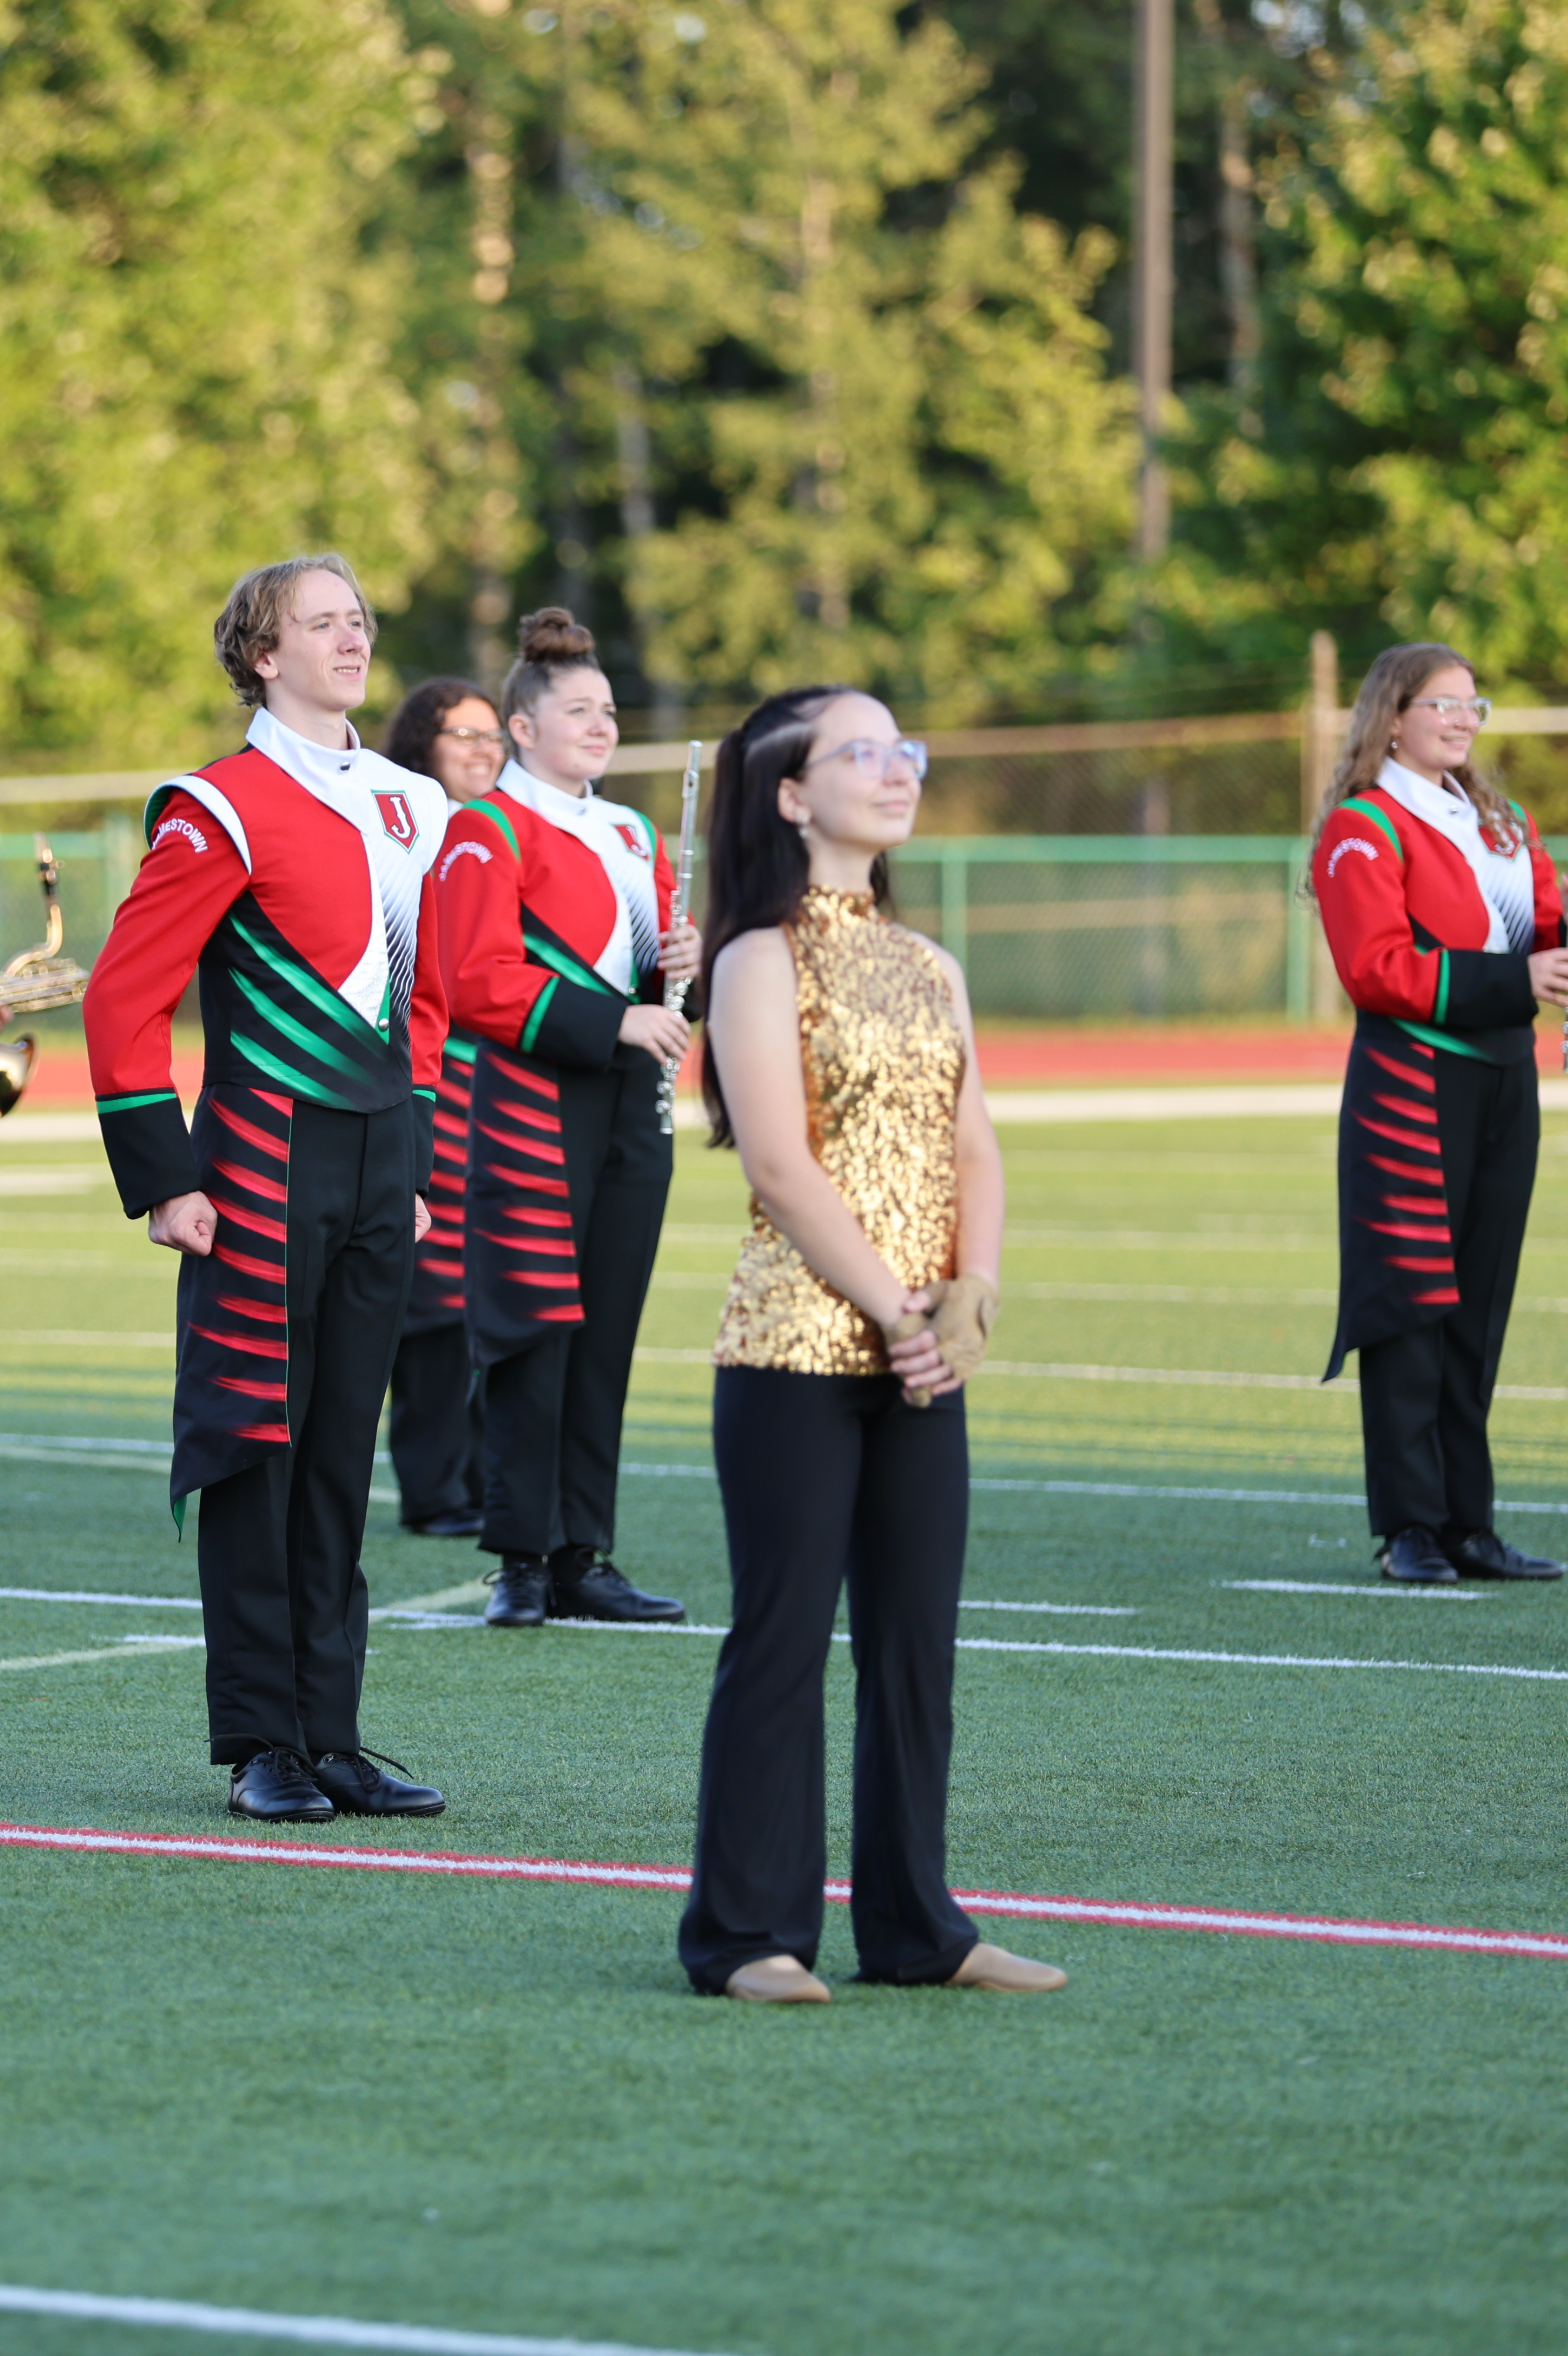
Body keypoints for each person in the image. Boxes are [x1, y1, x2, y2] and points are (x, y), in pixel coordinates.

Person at [675, 684, 1059, 2004]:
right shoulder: (758, 960)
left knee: (916, 1645)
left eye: (905, 749)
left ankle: (917, 1928)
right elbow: (779, 1166)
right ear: (790, 795)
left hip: (922, 1355)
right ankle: (745, 1934)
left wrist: (974, 1293)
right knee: (782, 1643)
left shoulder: (931, 962)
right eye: (861, 751)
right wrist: (900, 1312)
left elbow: (975, 1144)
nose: (896, 770)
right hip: (794, 1348)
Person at [82, 553, 452, 1826]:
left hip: (374, 1162)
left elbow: (430, 1000)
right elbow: (125, 992)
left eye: (358, 618)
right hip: (259, 1157)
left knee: (346, 1452)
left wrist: (414, 1162)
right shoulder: (218, 804)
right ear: (260, 652)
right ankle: (260, 1741)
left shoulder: (412, 802)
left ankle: (333, 1732)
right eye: (320, 622)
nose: (349, 638)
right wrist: (162, 1177)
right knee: (257, 1446)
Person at [1309, 646, 1568, 1583]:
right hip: (1411, 1080)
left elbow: (1552, 949)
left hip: (1501, 1083)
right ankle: (1409, 1525)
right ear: (1391, 716)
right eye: (1439, 704)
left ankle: (1468, 1525)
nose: (1462, 719)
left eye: (1471, 704)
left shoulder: (1507, 822)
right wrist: (1515, 976)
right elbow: (1375, 969)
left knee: (1479, 1306)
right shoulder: (1363, 826)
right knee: (1411, 1305)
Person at [435, 612, 699, 1628]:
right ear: (522, 729)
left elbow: (659, 984)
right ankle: (520, 1560)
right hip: (533, 1102)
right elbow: (475, 981)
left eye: (609, 711)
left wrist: (683, 968)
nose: (601, 726)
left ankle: (585, 1552)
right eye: (579, 711)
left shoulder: (631, 832)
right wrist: (618, 1014)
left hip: (632, 1101)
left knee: (608, 1334)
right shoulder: (487, 828)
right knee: (531, 1329)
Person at [378, 679, 507, 1537]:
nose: (483, 748)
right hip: (427, 1073)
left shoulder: (501, 830)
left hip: (497, 1083)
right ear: (422, 741)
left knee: (485, 1293)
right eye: (463, 733)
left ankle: (476, 1474)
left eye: (493, 735)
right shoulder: (407, 828)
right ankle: (433, 1487)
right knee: (430, 1295)